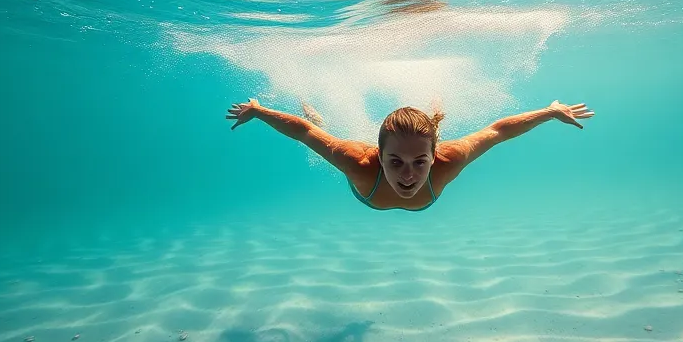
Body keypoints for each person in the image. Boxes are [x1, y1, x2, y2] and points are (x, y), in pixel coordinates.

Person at [224, 99, 594, 211]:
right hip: (357, 156)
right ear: (378, 156)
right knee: (319, 125)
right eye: (395, 162)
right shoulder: (357, 161)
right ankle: (319, 108)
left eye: (420, 162)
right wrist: (258, 110)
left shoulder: (450, 159)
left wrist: (548, 112)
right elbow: (305, 133)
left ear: (435, 157)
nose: (407, 176)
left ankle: (434, 106)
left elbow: (496, 132)